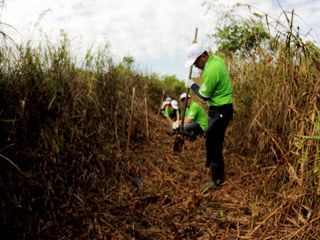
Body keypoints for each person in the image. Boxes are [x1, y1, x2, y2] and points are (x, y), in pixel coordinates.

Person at [184, 42, 233, 187]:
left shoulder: (212, 69)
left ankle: (217, 180)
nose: (195, 66)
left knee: (215, 142)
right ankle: (208, 164)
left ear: (203, 56)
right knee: (209, 138)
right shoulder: (214, 60)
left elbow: (204, 96)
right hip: (217, 109)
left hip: (222, 110)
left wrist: (192, 85)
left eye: (196, 62)